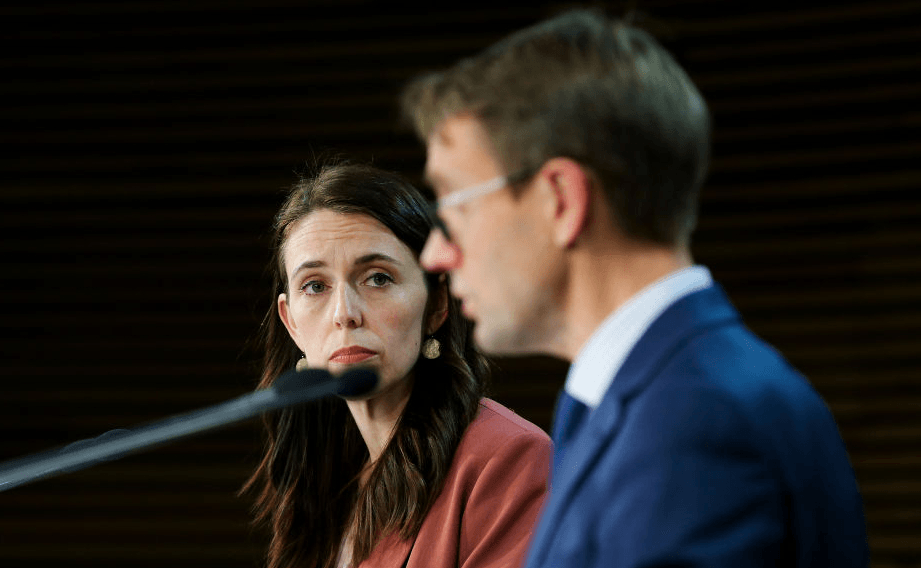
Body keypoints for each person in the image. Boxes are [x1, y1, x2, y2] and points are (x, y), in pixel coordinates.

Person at [401, 8, 868, 568]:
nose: (436, 253)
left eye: (454, 205)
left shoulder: (693, 427)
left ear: (561, 201)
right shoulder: (655, 396)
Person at [242, 162, 551, 568]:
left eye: (378, 278)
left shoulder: (506, 461)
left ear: (437, 304)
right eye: (315, 286)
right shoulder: (323, 488)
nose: (345, 313)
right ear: (292, 324)